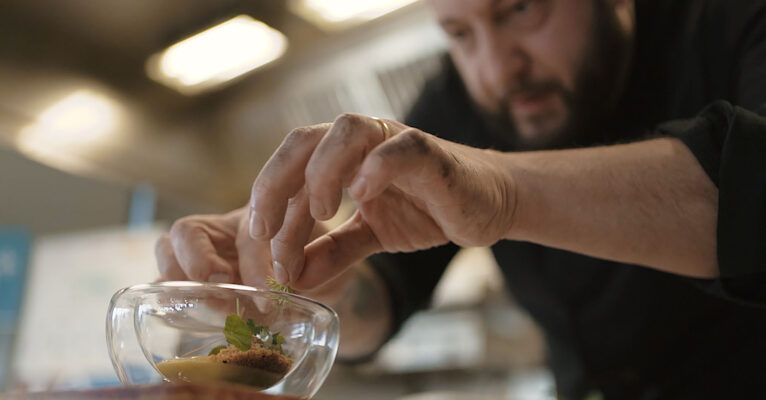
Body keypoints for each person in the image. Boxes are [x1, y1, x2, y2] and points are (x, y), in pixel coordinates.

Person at [155, 0, 766, 398]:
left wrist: (502, 192)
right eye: (459, 34)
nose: (498, 70)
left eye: (521, 11)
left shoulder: (730, 22)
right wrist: (325, 283)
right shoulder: (456, 103)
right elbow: (386, 295)